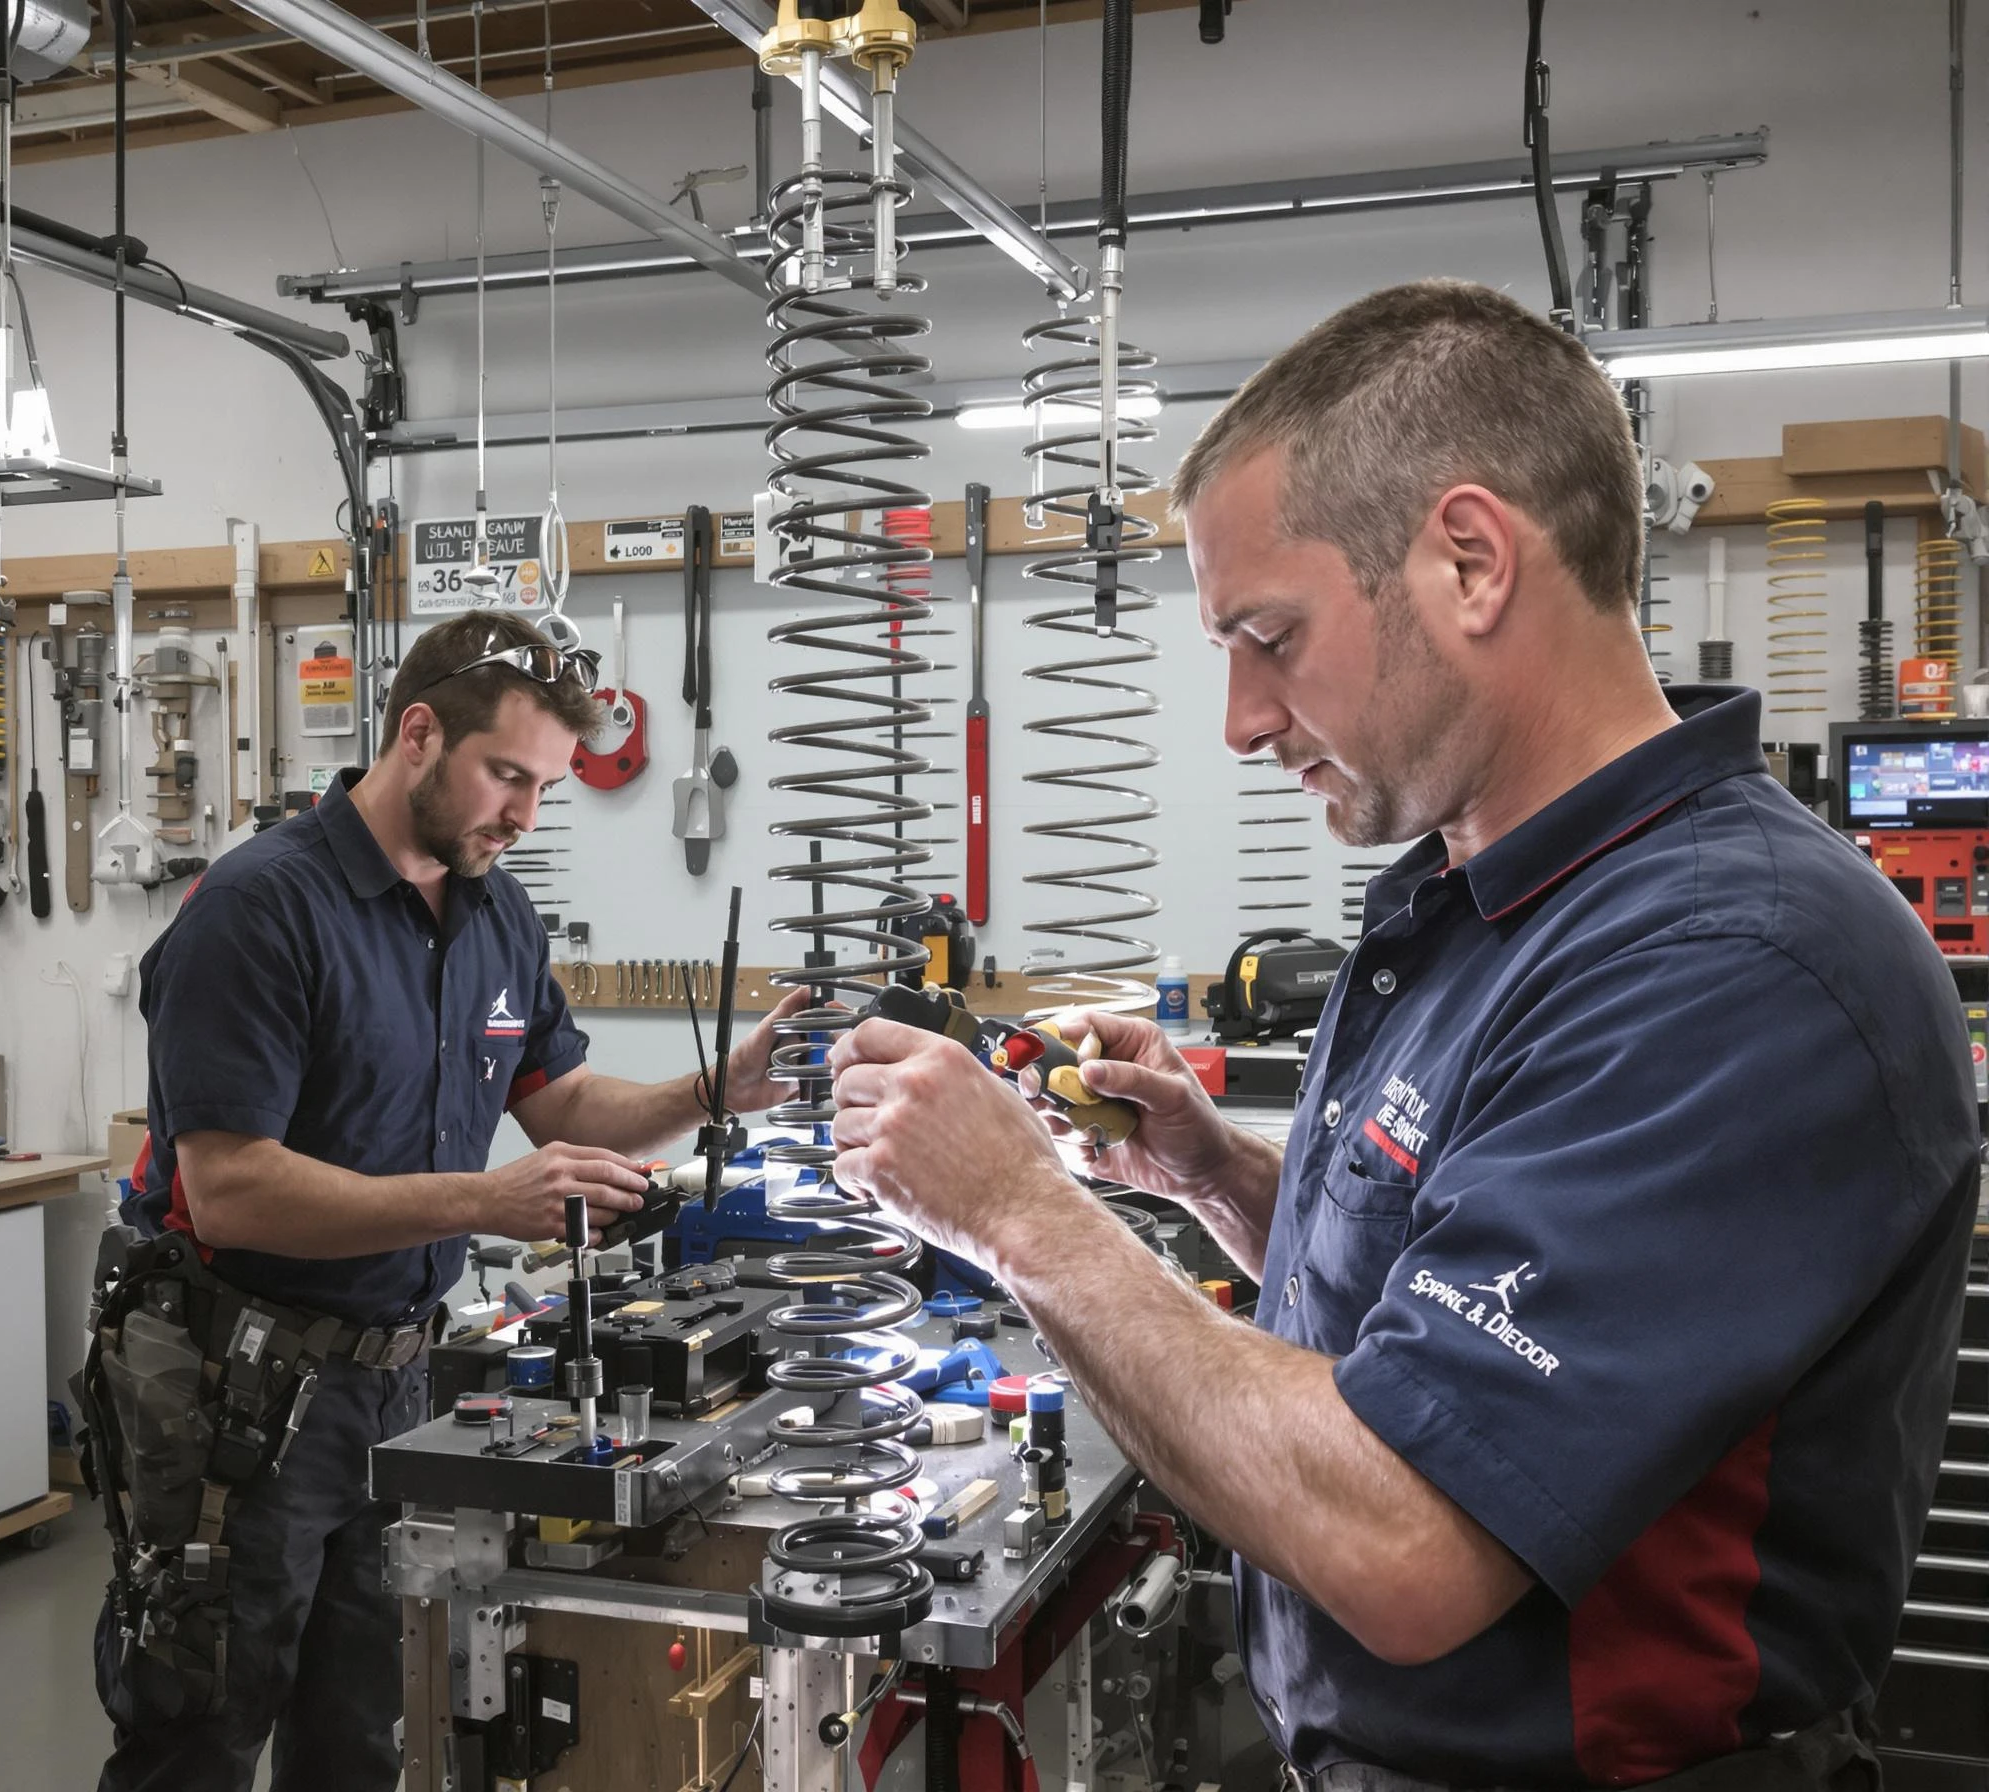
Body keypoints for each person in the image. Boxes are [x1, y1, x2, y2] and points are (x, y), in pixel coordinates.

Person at [828, 280, 1978, 1790]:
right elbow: (1445, 1281)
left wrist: (1017, 1217)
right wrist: (1218, 1179)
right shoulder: (1483, 899)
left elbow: (1406, 1535)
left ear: (1471, 560)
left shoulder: (1728, 961)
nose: (1241, 720)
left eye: (1270, 636)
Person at [94, 610, 805, 1792]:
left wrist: (714, 1088)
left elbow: (561, 1100)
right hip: (238, 1387)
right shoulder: (258, 907)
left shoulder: (493, 914)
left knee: (360, 1733)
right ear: (417, 733)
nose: (524, 815)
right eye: (507, 776)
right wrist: (485, 1200)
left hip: (397, 1385)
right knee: (200, 1732)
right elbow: (227, 1191)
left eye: (545, 788)